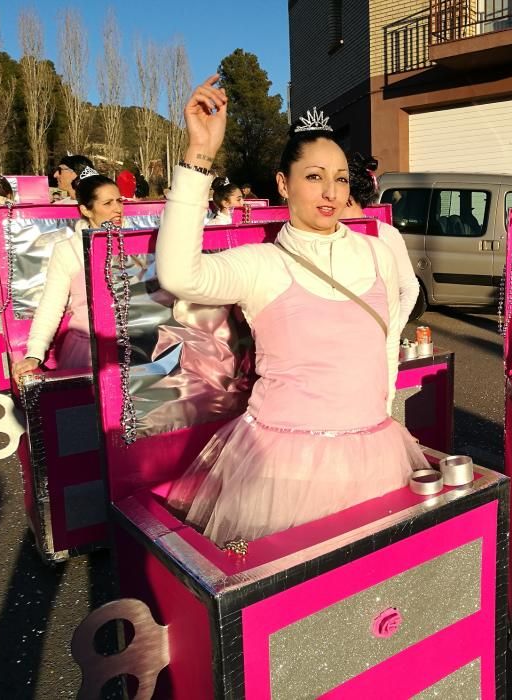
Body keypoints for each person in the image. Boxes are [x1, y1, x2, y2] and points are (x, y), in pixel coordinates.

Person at [158, 75, 427, 545]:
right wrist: (199, 156)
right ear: (284, 184)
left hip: (375, 452)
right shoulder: (263, 264)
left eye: (340, 179)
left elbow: (383, 346)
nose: (331, 193)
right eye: (314, 177)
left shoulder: (377, 251)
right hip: (283, 467)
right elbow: (180, 275)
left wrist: (379, 416)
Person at [11, 170, 123, 384]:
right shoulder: (68, 250)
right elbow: (51, 305)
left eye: (119, 201)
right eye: (108, 203)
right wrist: (34, 353)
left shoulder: (139, 242)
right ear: (86, 210)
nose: (118, 209)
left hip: (135, 348)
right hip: (88, 352)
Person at [343, 152, 420, 324]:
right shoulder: (322, 231)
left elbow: (409, 287)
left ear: (348, 198)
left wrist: (394, 329)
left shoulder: (385, 233)